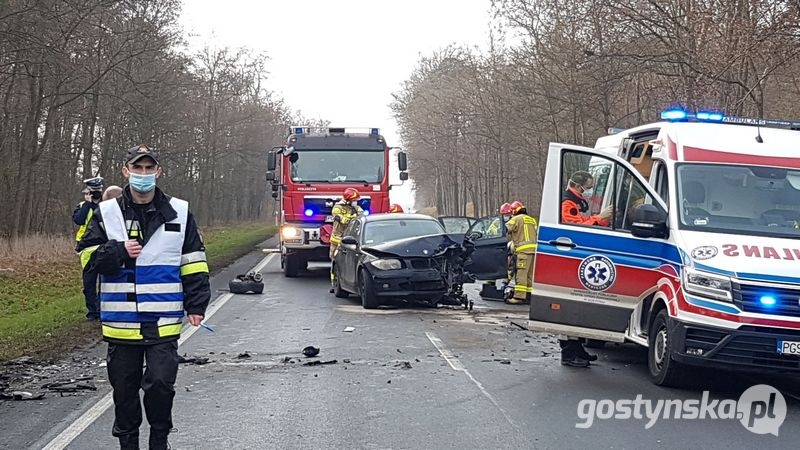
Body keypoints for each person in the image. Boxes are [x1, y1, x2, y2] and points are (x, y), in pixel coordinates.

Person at [76, 144, 211, 450]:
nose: (144, 174)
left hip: (162, 321)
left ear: (158, 172)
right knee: (124, 391)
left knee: (161, 386)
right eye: (138, 169)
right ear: (126, 171)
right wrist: (118, 251)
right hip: (121, 324)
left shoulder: (179, 211)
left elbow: (194, 260)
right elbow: (87, 258)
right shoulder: (106, 212)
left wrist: (197, 303)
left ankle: (159, 439)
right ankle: (128, 444)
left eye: (150, 169)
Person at [559, 170, 611, 367]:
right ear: (578, 186)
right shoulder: (567, 203)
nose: (589, 191)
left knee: (579, 309)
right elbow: (576, 228)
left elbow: (584, 221)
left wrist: (603, 219)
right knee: (571, 308)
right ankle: (569, 353)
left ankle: (577, 348)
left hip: (579, 257)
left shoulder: (578, 201)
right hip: (571, 257)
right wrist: (599, 218)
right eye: (588, 187)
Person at [73, 176, 104, 321]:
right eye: (93, 191)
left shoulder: (108, 205)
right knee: (89, 283)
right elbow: (78, 220)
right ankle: (93, 312)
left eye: (98, 191)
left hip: (104, 247)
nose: (96, 194)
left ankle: (103, 309)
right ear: (87, 193)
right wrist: (88, 203)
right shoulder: (82, 205)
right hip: (86, 247)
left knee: (105, 282)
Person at [328, 188, 363, 293]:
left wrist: (356, 210)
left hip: (349, 239)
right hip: (337, 239)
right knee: (335, 262)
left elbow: (361, 215)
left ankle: (346, 282)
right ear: (348, 199)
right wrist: (353, 217)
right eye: (354, 199)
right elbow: (342, 219)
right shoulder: (337, 207)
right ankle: (334, 284)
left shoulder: (355, 207)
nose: (356, 201)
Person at [504, 200, 537, 305]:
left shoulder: (516, 219)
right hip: (534, 251)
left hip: (523, 251)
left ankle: (519, 297)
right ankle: (528, 296)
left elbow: (505, 229)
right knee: (529, 275)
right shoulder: (532, 220)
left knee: (521, 275)